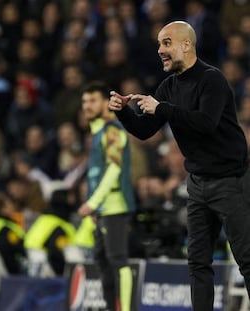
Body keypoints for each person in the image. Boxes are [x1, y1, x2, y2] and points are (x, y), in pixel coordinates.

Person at [109, 21, 250, 311]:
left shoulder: (212, 80)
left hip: (230, 182)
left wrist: (162, 108)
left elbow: (206, 124)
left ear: (186, 45)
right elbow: (146, 130)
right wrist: (124, 113)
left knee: (247, 258)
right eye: (159, 44)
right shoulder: (168, 86)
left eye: (167, 43)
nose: (160, 50)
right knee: (198, 262)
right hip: (197, 184)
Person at [79, 81, 136, 311]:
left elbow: (114, 169)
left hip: (115, 205)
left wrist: (92, 203)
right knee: (102, 262)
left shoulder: (113, 130)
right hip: (102, 209)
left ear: (105, 102)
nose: (87, 106)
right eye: (84, 101)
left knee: (118, 260)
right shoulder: (97, 133)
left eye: (92, 100)